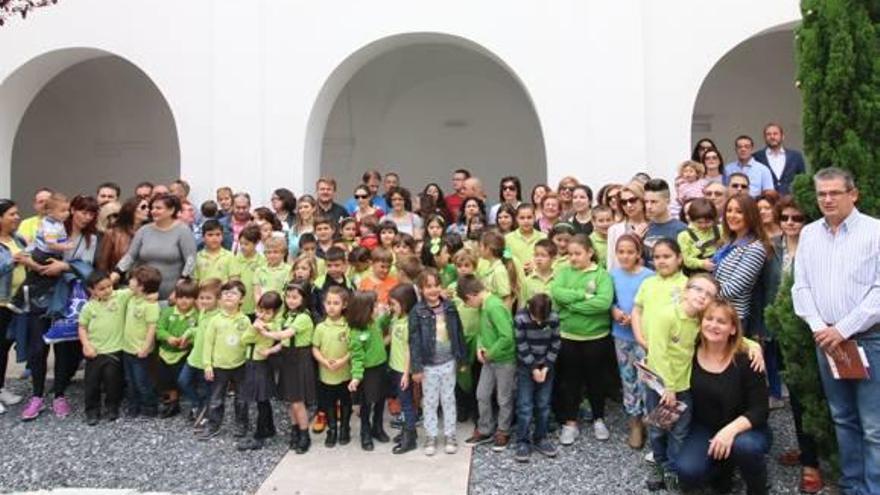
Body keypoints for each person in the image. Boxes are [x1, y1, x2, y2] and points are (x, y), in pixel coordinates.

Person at [792, 167, 880, 495]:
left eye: (834, 193)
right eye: (821, 194)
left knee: (874, 427)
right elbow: (801, 287)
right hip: (827, 342)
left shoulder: (875, 232)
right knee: (842, 418)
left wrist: (842, 329)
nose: (827, 199)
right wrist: (820, 328)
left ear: (853, 194)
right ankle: (852, 486)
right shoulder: (810, 234)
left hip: (869, 340)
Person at [676, 300, 771, 495]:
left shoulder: (747, 359)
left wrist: (729, 431)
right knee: (687, 471)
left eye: (721, 321)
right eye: (709, 319)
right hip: (703, 426)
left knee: (746, 447)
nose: (713, 325)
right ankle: (722, 469)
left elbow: (760, 409)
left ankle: (757, 487)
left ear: (733, 329)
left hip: (745, 429)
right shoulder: (689, 352)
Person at [20, 194, 100, 421]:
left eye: (91, 213)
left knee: (65, 347)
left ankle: (59, 393)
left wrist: (64, 266)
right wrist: (33, 262)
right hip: (41, 292)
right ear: (72, 210)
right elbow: (32, 248)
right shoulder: (52, 226)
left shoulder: (91, 238)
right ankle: (36, 395)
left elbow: (88, 267)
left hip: (68, 296)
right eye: (83, 211)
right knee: (38, 346)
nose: (87, 217)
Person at [766, 196, 823, 493]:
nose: (790, 223)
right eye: (785, 217)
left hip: (811, 332)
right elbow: (766, 289)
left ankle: (814, 462)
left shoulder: (818, 248)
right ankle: (808, 453)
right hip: (780, 332)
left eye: (797, 218)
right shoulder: (772, 246)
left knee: (814, 398)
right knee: (796, 402)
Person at [549, 234, 614, 445]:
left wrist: (572, 307)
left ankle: (598, 418)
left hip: (596, 337)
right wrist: (584, 296)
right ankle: (570, 422)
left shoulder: (601, 275)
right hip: (569, 336)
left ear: (590, 252)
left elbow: (603, 303)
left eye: (578, 254)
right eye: (570, 254)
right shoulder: (563, 272)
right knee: (570, 380)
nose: (573, 258)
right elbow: (556, 293)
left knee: (596, 379)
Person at [409, 269, 468, 456]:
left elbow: (458, 332)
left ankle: (450, 434)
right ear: (421, 289)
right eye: (428, 286)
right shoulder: (417, 311)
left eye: (436, 285)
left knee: (449, 398)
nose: (433, 290)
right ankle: (431, 435)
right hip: (428, 364)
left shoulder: (450, 307)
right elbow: (414, 341)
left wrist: (462, 358)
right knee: (430, 401)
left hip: (448, 361)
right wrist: (416, 368)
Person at [459, 274, 516, 452]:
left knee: (504, 397)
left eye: (467, 303)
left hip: (504, 360)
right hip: (489, 359)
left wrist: (490, 353)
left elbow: (507, 337)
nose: (469, 306)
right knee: (482, 394)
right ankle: (485, 428)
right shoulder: (483, 306)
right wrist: (480, 347)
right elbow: (482, 332)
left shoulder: (494, 307)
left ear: (471, 296)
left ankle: (503, 430)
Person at [609, 234, 654, 449]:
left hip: (644, 337)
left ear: (638, 254)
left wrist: (638, 318)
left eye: (630, 252)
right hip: (621, 335)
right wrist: (615, 312)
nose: (625, 256)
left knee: (646, 378)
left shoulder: (649, 276)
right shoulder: (613, 275)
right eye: (621, 252)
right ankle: (634, 421)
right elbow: (610, 301)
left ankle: (650, 420)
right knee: (627, 378)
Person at [113, 194, 197, 301]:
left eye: (158, 208)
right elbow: (130, 256)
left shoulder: (183, 231)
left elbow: (191, 261)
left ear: (171, 210)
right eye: (152, 208)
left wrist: (179, 290)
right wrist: (116, 272)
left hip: (171, 294)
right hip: (144, 292)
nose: (153, 211)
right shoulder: (144, 230)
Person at [198, 280, 251, 440]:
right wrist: (207, 365)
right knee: (216, 398)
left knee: (242, 398)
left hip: (240, 364)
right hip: (219, 366)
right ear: (220, 297)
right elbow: (208, 344)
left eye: (234, 293)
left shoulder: (245, 320)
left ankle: (242, 424)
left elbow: (249, 342)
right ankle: (213, 425)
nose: (229, 295)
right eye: (226, 293)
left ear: (241, 299)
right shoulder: (215, 320)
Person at [513, 293, 561, 462]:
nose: (540, 323)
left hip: (547, 366)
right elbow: (521, 344)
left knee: (543, 404)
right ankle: (522, 440)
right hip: (526, 366)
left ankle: (541, 437)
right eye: (536, 319)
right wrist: (534, 367)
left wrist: (546, 366)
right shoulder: (520, 318)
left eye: (543, 320)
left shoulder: (554, 318)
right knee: (525, 405)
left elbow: (556, 342)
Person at [77, 270, 126, 425]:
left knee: (113, 382)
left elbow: (138, 290)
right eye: (102, 288)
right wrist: (86, 345)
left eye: (109, 286)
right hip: (95, 352)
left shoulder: (120, 296)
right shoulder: (88, 307)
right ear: (92, 290)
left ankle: (112, 408)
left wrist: (151, 295)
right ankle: (92, 411)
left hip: (115, 350)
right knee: (92, 383)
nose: (107, 291)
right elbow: (82, 327)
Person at [713, 195, 770, 325]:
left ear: (750, 215)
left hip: (732, 316)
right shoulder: (727, 242)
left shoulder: (755, 248)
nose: (732, 215)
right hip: (715, 310)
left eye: (739, 212)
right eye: (729, 210)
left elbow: (733, 289)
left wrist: (703, 294)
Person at [237, 291, 284, 450]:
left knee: (261, 400)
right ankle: (269, 428)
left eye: (268, 312)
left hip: (260, 364)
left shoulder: (269, 326)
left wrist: (255, 328)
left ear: (276, 312)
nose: (263, 315)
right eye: (261, 310)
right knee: (262, 400)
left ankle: (260, 434)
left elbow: (245, 339)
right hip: (254, 363)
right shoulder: (260, 324)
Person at [346, 291, 390, 451]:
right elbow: (357, 357)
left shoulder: (374, 323)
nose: (378, 308)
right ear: (366, 310)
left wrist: (388, 313)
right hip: (367, 372)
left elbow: (383, 321)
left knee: (380, 399)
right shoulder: (356, 333)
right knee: (366, 402)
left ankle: (377, 427)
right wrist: (356, 377)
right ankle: (365, 430)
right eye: (375, 306)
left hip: (380, 367)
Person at [312, 286, 353, 448]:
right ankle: (332, 429)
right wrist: (323, 361)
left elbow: (353, 348)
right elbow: (315, 347)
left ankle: (344, 428)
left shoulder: (348, 326)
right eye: (328, 302)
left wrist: (343, 360)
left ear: (344, 305)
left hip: (344, 373)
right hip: (326, 373)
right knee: (328, 403)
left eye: (336, 303)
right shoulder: (321, 327)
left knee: (345, 402)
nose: (331, 306)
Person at [178, 278, 221, 427]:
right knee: (183, 381)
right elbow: (200, 330)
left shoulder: (218, 317)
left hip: (206, 361)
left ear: (218, 299)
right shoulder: (202, 312)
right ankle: (198, 404)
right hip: (194, 357)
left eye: (208, 298)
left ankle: (207, 413)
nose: (204, 301)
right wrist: (189, 332)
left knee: (207, 389)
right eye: (201, 298)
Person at [121, 265, 163, 418]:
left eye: (132, 279)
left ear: (142, 285)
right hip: (127, 348)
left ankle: (150, 406)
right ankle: (134, 405)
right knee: (130, 380)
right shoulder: (132, 297)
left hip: (141, 351)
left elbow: (152, 328)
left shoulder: (151, 305)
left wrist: (145, 347)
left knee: (142, 382)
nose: (129, 281)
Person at [0, 200, 27, 411]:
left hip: (15, 302)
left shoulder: (18, 239)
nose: (17, 217)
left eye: (17, 214)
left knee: (4, 347)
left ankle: (1, 389)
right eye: (12, 214)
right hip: (0, 302)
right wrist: (13, 260)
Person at [387, 283, 419, 454]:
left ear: (405, 303)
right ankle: (408, 430)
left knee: (407, 404)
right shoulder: (396, 318)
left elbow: (409, 350)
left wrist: (407, 373)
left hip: (403, 369)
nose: (391, 307)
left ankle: (410, 437)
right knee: (403, 401)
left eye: (394, 304)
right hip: (395, 366)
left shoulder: (409, 323)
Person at [96, 196, 149, 273]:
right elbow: (103, 263)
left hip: (143, 279)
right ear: (131, 209)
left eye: (148, 207)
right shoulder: (113, 233)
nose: (148, 210)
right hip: (118, 278)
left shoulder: (148, 232)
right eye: (143, 207)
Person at [643, 179, 686, 269]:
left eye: (654, 202)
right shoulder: (644, 228)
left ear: (667, 201)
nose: (648, 206)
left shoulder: (682, 229)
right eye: (646, 202)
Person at [752, 123, 807, 195]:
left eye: (775, 134)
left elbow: (802, 179)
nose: (772, 137)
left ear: (782, 136)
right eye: (768, 134)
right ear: (764, 138)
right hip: (766, 201)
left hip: (790, 201)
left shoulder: (796, 156)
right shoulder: (756, 157)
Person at [606, 182, 648, 271]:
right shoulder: (614, 230)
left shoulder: (654, 225)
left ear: (642, 200)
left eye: (632, 200)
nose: (628, 205)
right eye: (623, 202)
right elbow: (612, 262)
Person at [677, 198, 721, 274]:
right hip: (696, 272)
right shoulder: (684, 236)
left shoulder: (719, 230)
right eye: (699, 222)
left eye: (708, 222)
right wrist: (702, 264)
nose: (703, 225)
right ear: (691, 219)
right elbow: (687, 260)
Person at [505, 204, 546, 271]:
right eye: (522, 218)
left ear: (535, 218)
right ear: (516, 219)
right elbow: (506, 260)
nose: (526, 221)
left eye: (529, 217)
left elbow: (549, 260)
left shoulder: (543, 237)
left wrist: (536, 265)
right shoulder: (508, 239)